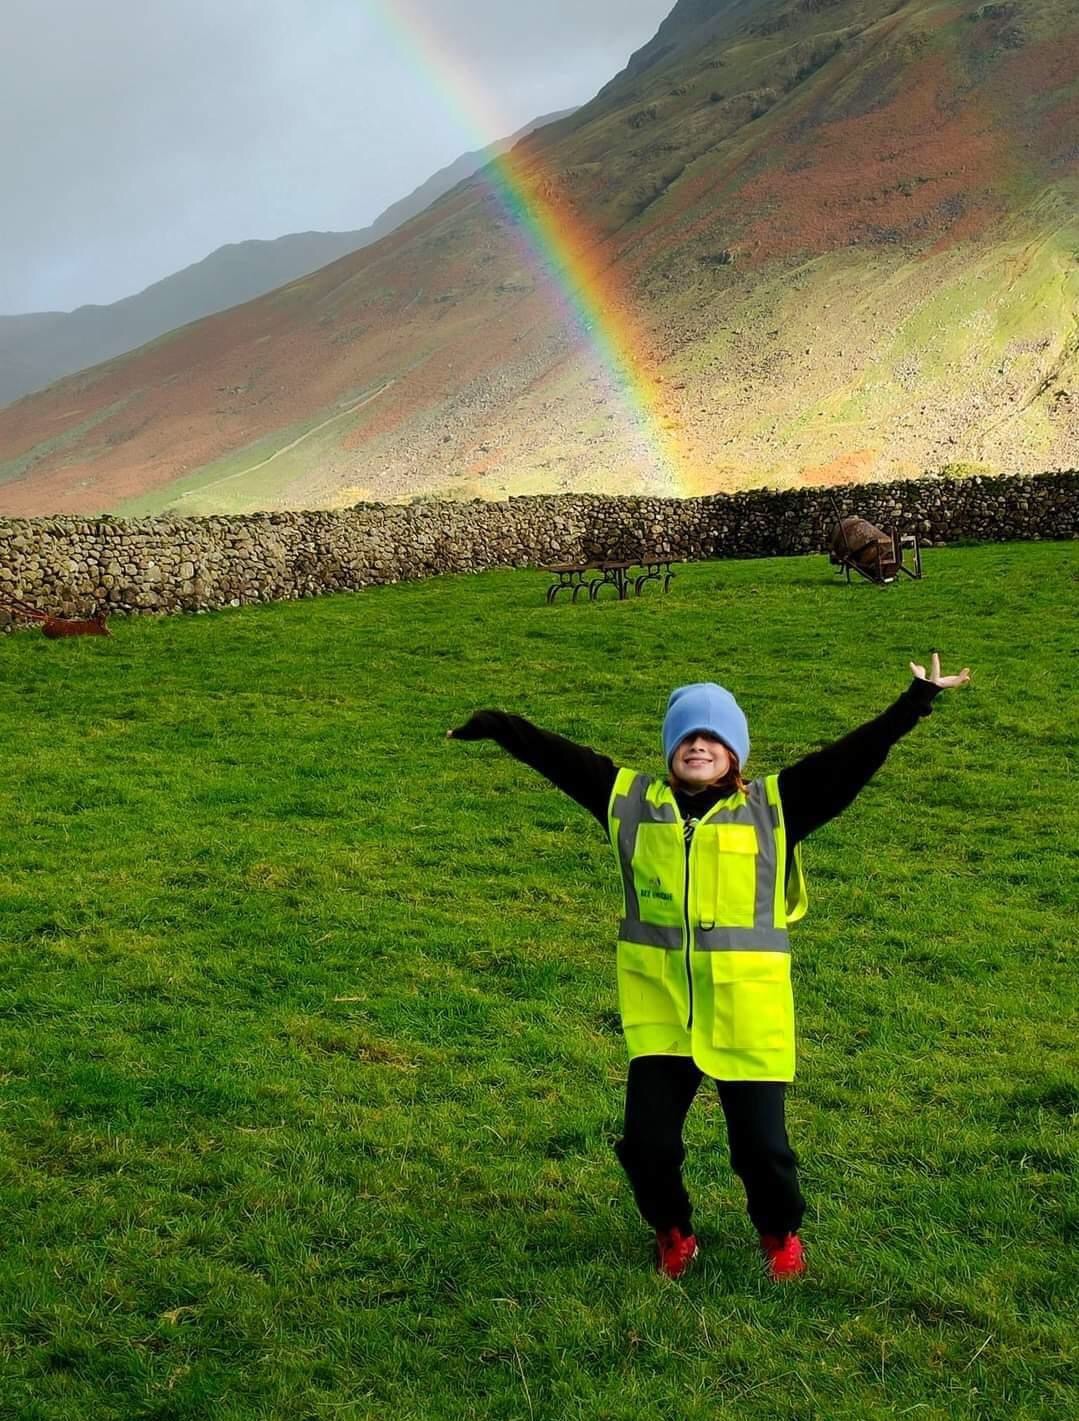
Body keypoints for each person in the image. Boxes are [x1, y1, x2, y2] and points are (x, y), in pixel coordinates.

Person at [447, 652, 970, 1281]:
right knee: (646, 1146)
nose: (700, 744)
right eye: (688, 736)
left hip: (747, 1015)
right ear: (671, 751)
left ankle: (780, 1236)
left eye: (714, 737)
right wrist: (501, 725)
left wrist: (912, 703)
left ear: (735, 755)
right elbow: (562, 759)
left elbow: (848, 762)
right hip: (663, 1010)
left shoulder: (777, 806)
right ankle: (672, 1230)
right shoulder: (630, 802)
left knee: (763, 1152)